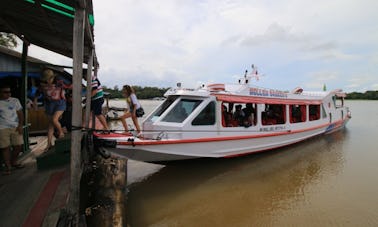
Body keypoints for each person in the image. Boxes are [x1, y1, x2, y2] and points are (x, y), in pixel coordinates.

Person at [40, 69, 71, 150]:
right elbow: (39, 93)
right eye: (46, 79)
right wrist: (36, 101)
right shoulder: (43, 85)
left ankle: (61, 132)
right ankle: (48, 144)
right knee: (50, 125)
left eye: (49, 79)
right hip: (50, 104)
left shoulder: (59, 83)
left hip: (60, 103)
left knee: (54, 119)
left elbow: (68, 86)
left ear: (53, 78)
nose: (48, 81)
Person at [0, 84, 24, 175]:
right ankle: (8, 166)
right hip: (2, 128)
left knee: (18, 145)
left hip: (15, 126)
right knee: (5, 147)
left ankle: (13, 161)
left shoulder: (15, 100)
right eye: (5, 92)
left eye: (9, 91)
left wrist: (20, 125)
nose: (8, 94)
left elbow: (20, 113)